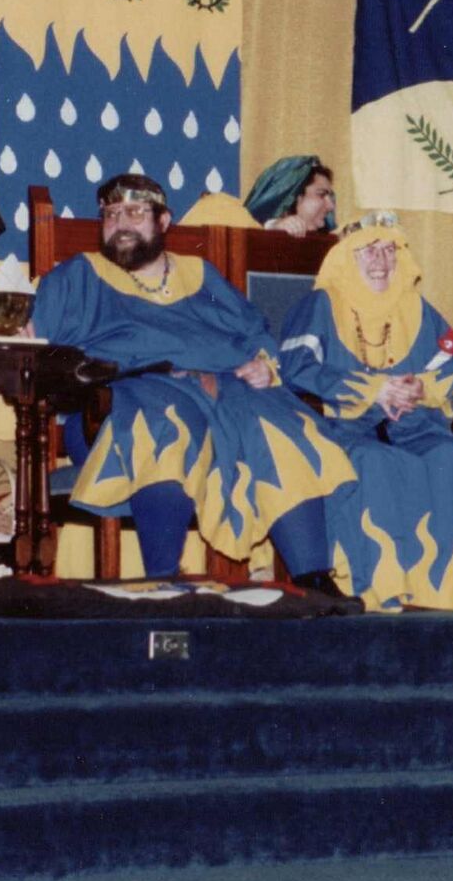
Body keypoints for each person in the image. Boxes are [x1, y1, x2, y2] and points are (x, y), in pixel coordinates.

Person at [29, 174, 355, 590]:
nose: (121, 223)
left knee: (283, 423)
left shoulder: (200, 275)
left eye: (135, 213)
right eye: (111, 215)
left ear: (164, 221)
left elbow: (254, 330)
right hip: (118, 404)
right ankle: (163, 580)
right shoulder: (77, 276)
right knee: (168, 422)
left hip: (222, 393)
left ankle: (313, 579)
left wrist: (263, 364)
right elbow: (42, 354)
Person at [279, 214, 453, 611]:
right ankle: (380, 588)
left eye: (389, 250)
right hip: (345, 426)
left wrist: (423, 386)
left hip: (415, 425)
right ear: (347, 257)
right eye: (369, 251)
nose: (381, 262)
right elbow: (295, 367)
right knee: (372, 462)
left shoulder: (416, 308)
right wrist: (373, 389)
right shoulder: (321, 306)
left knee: (451, 459)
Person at [243, 155, 337, 237]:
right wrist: (274, 228)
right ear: (293, 197)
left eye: (330, 197)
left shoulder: (331, 243)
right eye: (321, 195)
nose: (331, 206)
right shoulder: (247, 239)